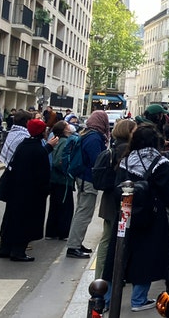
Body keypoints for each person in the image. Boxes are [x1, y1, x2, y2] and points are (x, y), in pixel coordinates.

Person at [102, 123, 169, 312]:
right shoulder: (161, 163)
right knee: (146, 257)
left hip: (125, 215)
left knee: (117, 254)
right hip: (152, 216)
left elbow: (117, 187)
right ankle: (138, 300)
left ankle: (107, 298)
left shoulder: (126, 160)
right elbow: (168, 192)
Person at [0, 119, 53, 261]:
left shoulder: (23, 145)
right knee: (25, 223)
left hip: (15, 191)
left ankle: (5, 248)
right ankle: (18, 251)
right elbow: (42, 174)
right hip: (30, 194)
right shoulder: (38, 149)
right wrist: (46, 190)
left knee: (11, 219)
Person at [66, 110, 109, 259]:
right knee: (84, 213)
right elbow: (97, 160)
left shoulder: (87, 134)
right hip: (88, 180)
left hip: (83, 178)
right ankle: (73, 246)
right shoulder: (94, 138)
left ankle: (76, 242)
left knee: (81, 212)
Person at [95, 118, 135, 277]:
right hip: (124, 201)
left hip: (108, 199)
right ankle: (117, 275)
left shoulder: (111, 150)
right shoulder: (129, 151)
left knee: (106, 238)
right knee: (122, 239)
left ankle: (100, 275)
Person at [45, 120, 75, 240]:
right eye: (67, 125)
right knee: (65, 208)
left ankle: (51, 232)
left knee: (54, 206)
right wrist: (68, 170)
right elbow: (58, 161)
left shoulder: (57, 140)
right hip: (62, 180)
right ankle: (62, 232)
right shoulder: (65, 142)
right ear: (64, 129)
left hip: (55, 179)